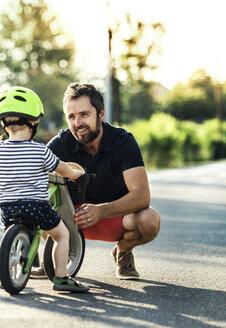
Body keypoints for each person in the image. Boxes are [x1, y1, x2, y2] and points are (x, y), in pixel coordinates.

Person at [46, 82, 161, 280]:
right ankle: (56, 257)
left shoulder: (123, 141)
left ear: (100, 114)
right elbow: (32, 173)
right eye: (71, 117)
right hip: (73, 219)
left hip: (115, 217)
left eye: (84, 114)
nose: (77, 123)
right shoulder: (61, 143)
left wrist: (101, 210)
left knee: (150, 220)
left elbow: (142, 196)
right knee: (34, 206)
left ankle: (123, 251)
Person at [0, 86, 89, 293]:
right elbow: (62, 168)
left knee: (16, 231)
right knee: (62, 235)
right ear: (34, 123)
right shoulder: (40, 150)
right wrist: (75, 175)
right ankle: (61, 278)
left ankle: (11, 270)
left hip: (6, 208)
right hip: (36, 206)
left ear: (4, 126)